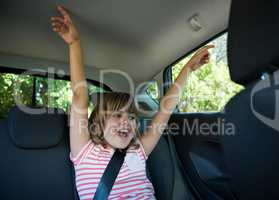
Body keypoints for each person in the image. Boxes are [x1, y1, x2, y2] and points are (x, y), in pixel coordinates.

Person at [51, 5, 213, 200]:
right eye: (117, 115)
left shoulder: (138, 151)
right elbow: (80, 97)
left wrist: (188, 68)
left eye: (131, 117)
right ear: (97, 125)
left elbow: (165, 110)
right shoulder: (84, 151)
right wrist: (74, 43)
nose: (126, 121)